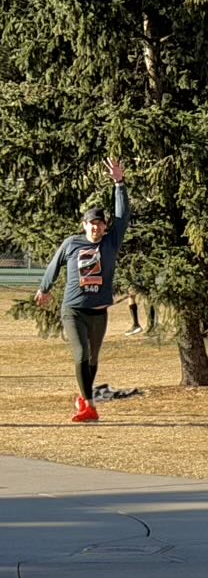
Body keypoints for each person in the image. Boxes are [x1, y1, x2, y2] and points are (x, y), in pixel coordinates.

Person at [35, 157, 129, 423]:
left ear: (105, 226)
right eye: (91, 223)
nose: (96, 227)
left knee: (93, 359)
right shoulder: (72, 243)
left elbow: (123, 215)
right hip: (73, 310)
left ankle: (83, 397)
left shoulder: (111, 243)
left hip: (99, 312)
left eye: (100, 223)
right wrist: (45, 288)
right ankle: (89, 405)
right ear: (84, 225)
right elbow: (54, 265)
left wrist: (119, 183)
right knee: (81, 354)